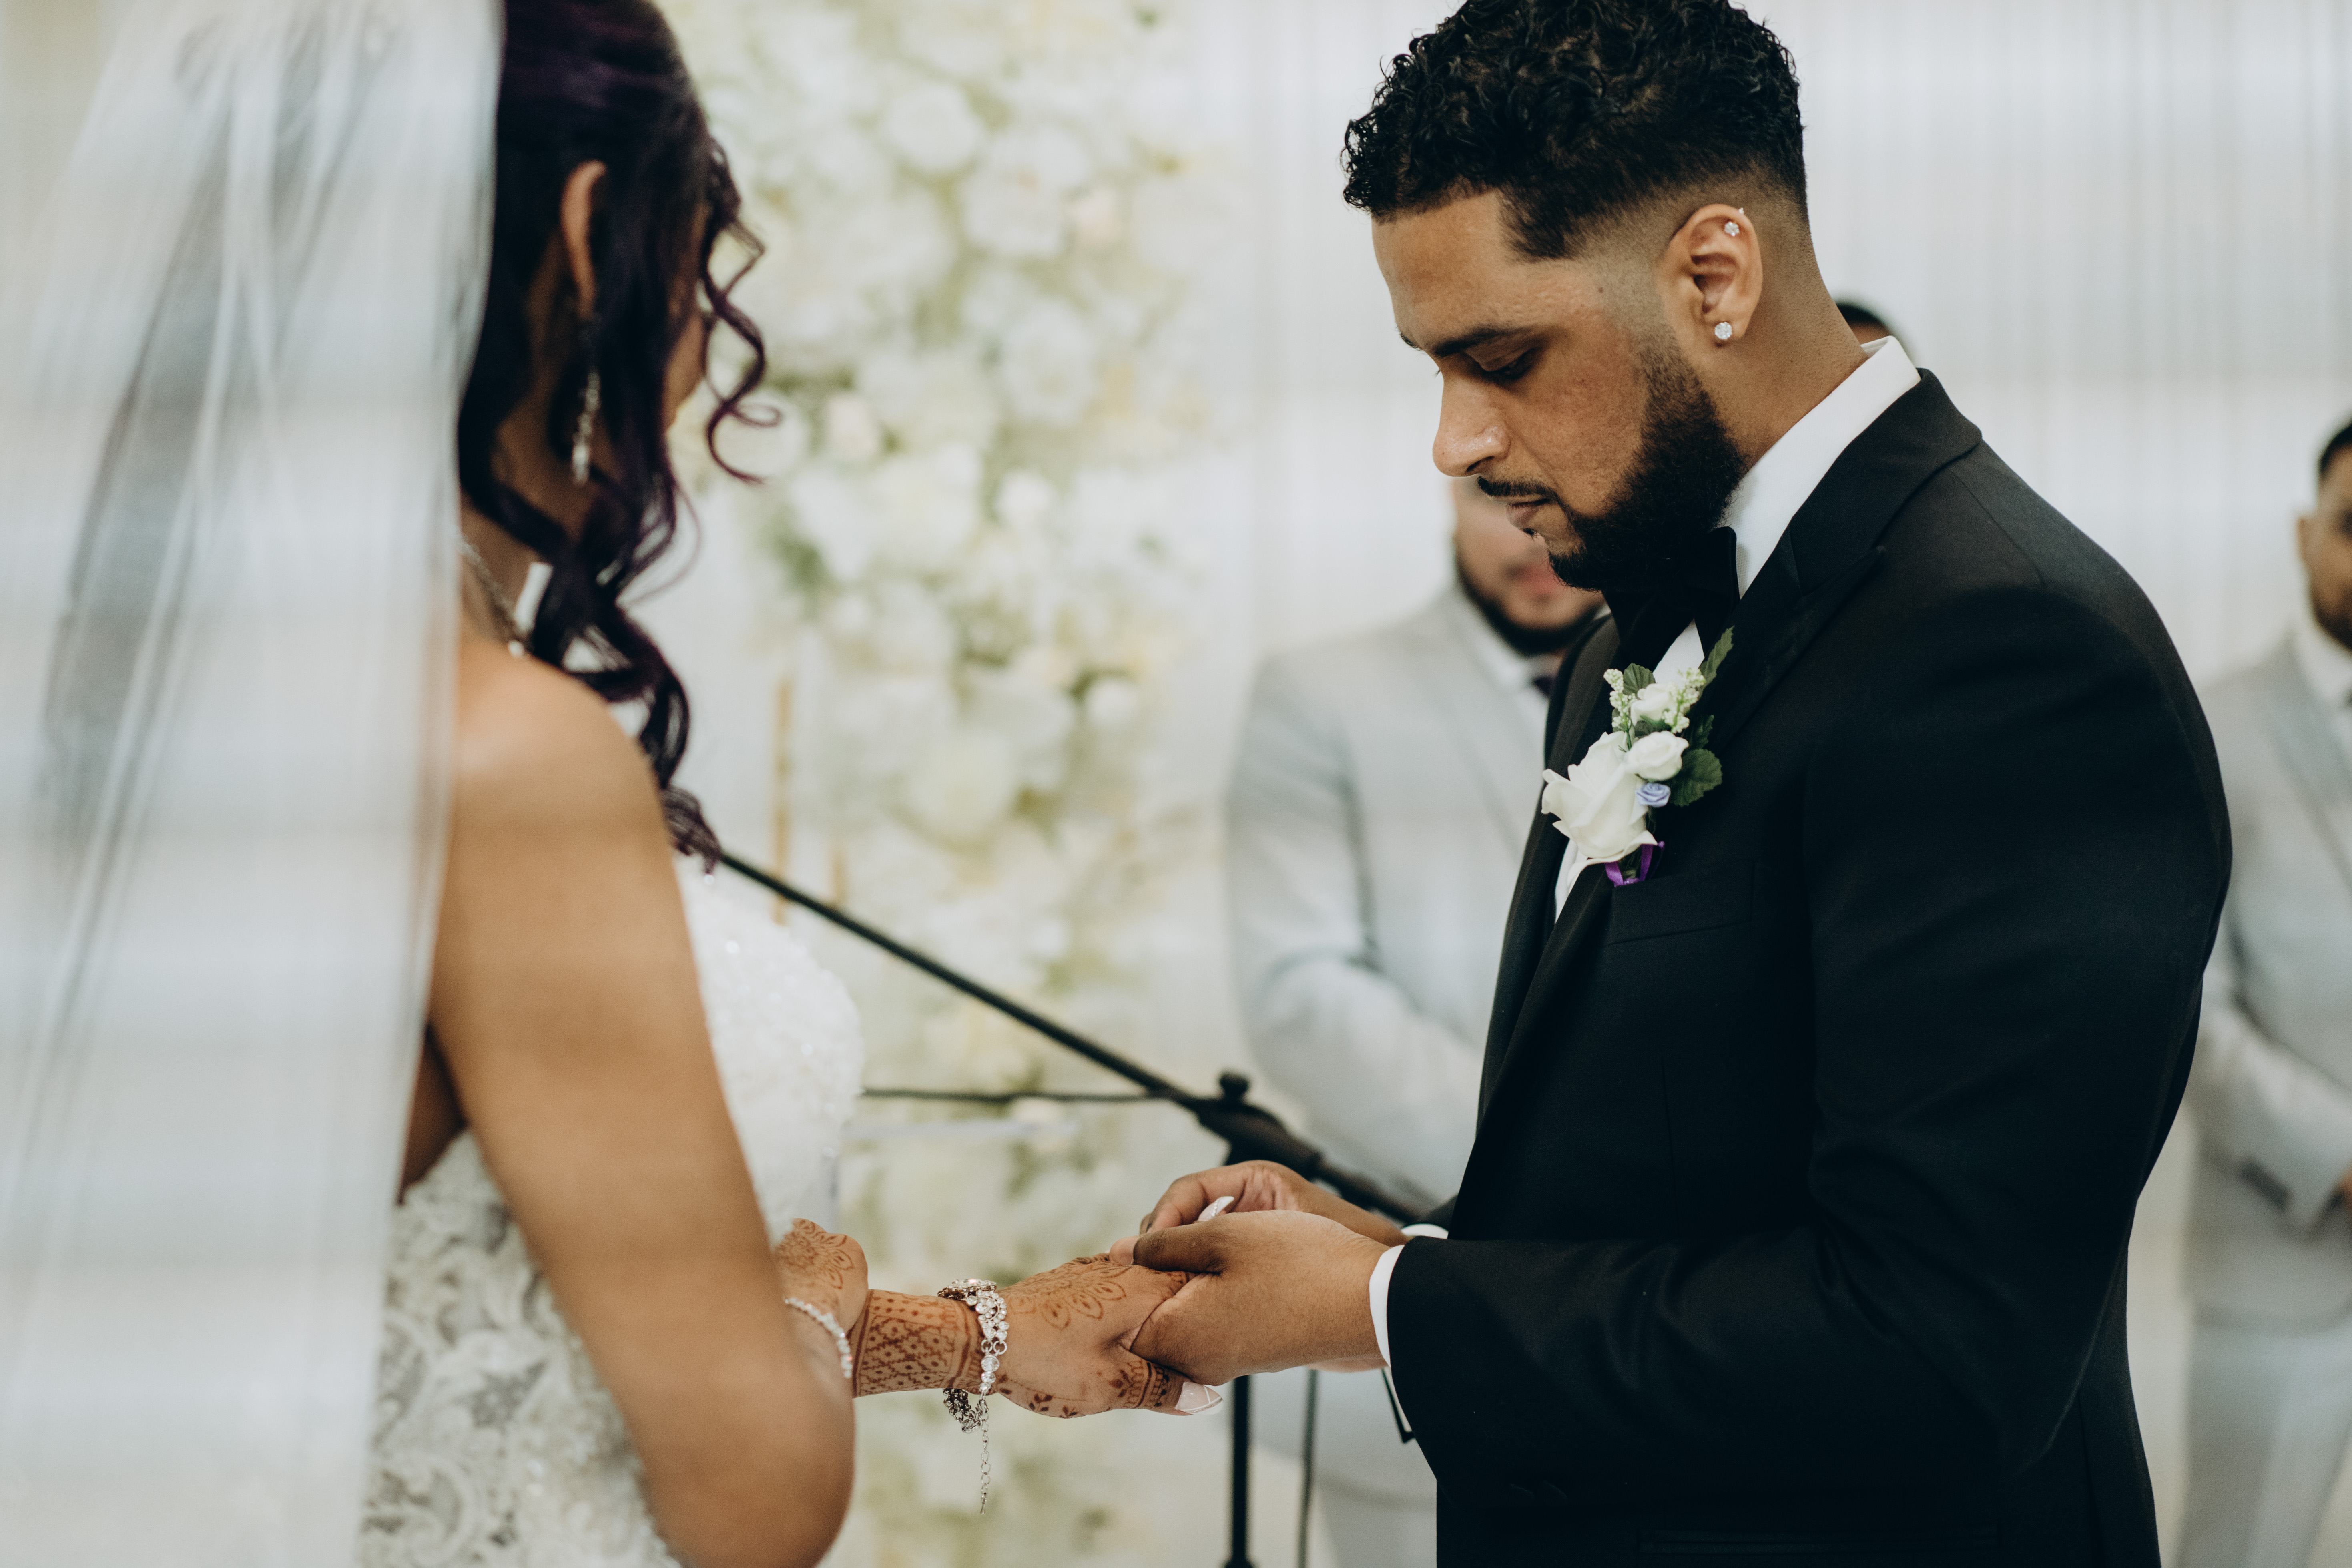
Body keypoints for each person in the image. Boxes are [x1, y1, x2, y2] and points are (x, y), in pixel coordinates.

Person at [0, 4, 1195, 1566]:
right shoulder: (500, 757)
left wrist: (957, 1330)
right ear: (585, 236)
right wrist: (816, 1295)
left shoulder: (115, 716)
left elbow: (461, 1309)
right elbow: (755, 1501)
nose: (701, 341)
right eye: (700, 256)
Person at [1116, 3, 2228, 1564]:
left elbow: (1937, 1345)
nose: (1451, 441)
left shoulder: (2008, 654)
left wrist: (1385, 1309)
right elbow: (1689, 1180)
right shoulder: (1630, 628)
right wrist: (1396, 1251)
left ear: (1713, 276)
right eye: (1434, 368)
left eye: (1500, 359)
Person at [1225, 479, 1603, 1564]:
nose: (1528, 532)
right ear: (1448, 490)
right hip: (1408, 1297)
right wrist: (1551, 1177)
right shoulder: (1323, 694)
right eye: (1496, 497)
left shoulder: (1716, 681)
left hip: (1669, 1319)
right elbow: (1301, 995)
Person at [2179, 416, 2352, 1568]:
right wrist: (2341, 1156)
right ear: (2303, 534)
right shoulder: (2215, 727)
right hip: (2283, 1258)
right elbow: (2187, 1008)